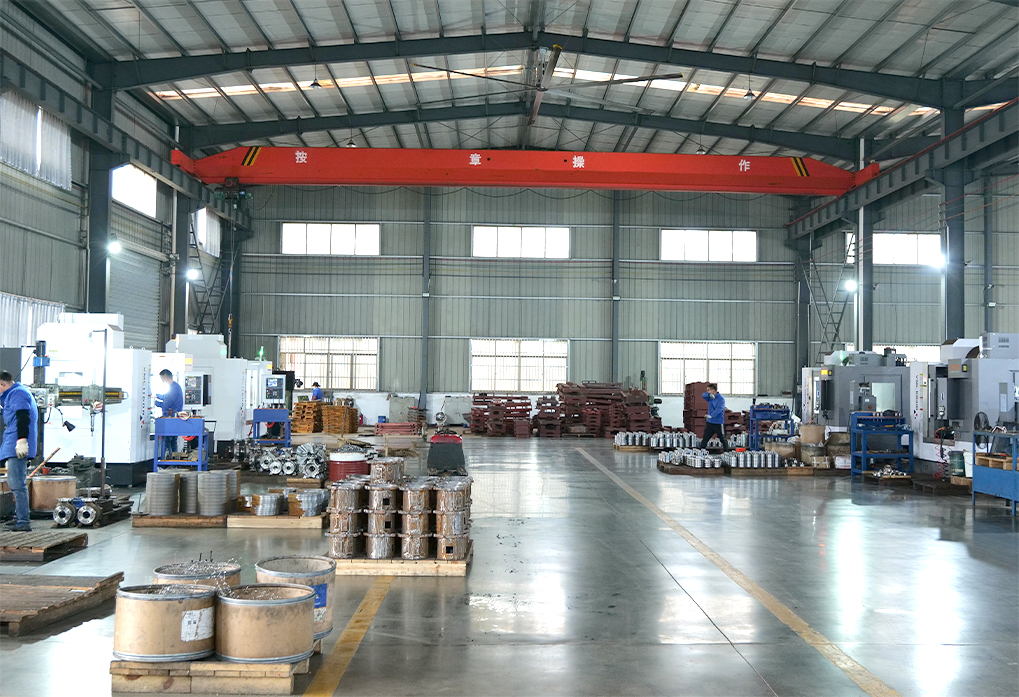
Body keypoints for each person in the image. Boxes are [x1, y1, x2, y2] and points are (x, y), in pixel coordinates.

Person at [1, 370, 38, 532]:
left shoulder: (18, 393)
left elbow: (23, 416)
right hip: (12, 442)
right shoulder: (13, 394)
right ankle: (20, 518)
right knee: (15, 482)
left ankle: (23, 521)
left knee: (17, 483)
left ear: (2, 383)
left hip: (17, 443)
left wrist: (22, 440)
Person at [154, 369, 183, 457]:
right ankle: (174, 460)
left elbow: (166, 405)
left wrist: (155, 403)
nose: (162, 381)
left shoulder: (173, 388)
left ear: (166, 378)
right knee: (173, 441)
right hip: (175, 419)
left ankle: (167, 461)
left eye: (162, 379)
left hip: (170, 419)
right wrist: (158, 396)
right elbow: (167, 397)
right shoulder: (176, 387)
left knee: (167, 441)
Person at [699, 383, 729, 451]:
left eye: (708, 390)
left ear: (713, 390)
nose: (707, 391)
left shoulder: (721, 399)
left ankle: (726, 452)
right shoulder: (710, 397)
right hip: (710, 423)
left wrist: (711, 415)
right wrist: (709, 395)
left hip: (718, 422)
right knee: (705, 438)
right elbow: (703, 395)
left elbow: (719, 409)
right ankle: (701, 451)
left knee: (722, 438)